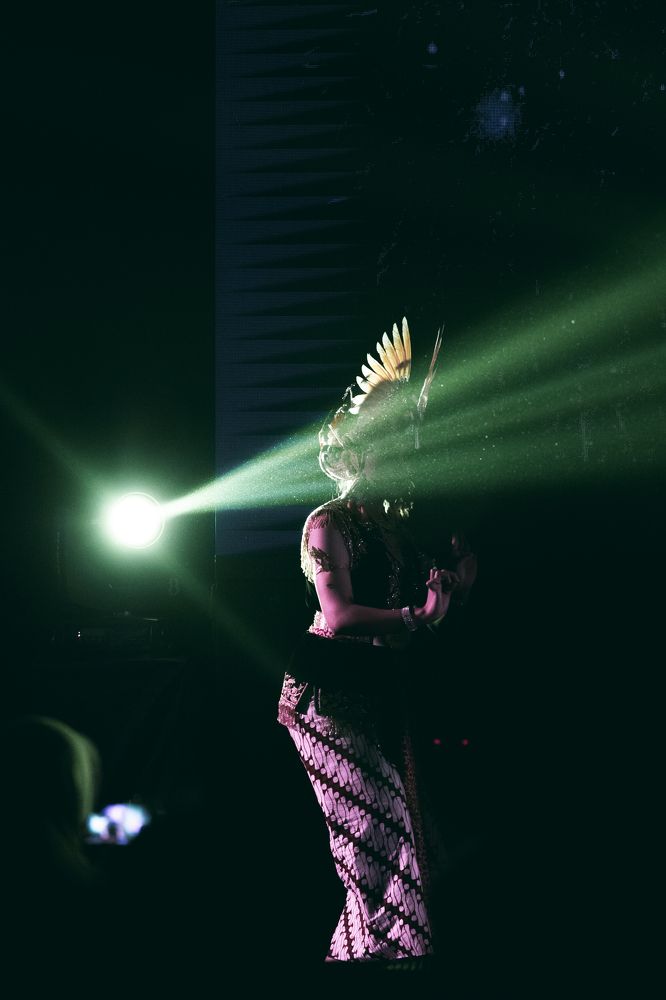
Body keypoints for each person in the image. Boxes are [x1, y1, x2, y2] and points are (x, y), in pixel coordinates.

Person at [277, 317, 477, 969]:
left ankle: (362, 963)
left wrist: (454, 590)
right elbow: (338, 617)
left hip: (378, 691)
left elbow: (421, 619)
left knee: (402, 836)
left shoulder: (397, 533)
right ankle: (385, 963)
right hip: (328, 698)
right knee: (377, 832)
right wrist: (419, 615)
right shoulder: (327, 523)